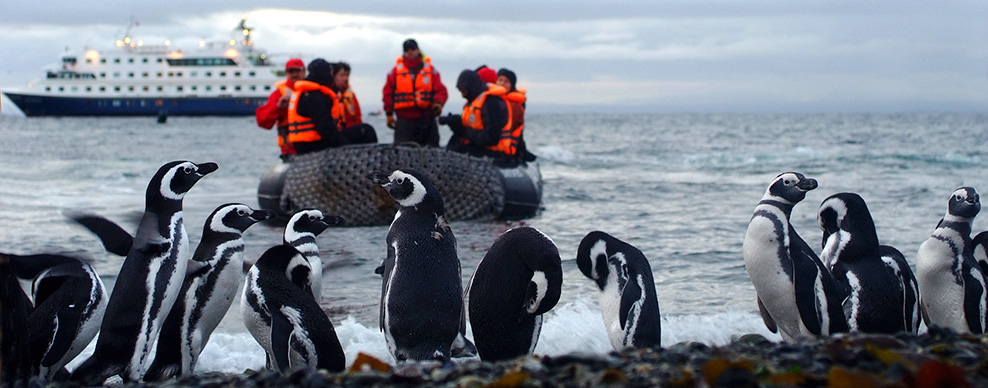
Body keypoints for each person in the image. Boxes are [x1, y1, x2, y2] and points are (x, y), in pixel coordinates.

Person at [287, 58, 377, 155]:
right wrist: (345, 147)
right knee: (366, 131)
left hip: (302, 145)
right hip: (313, 145)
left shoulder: (304, 93)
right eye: (330, 73)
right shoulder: (316, 97)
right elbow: (326, 130)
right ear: (324, 74)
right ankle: (368, 164)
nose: (331, 77)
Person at [441, 69, 525, 166]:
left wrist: (464, 131)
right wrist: (455, 124)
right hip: (479, 147)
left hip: (494, 153)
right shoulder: (473, 102)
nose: (463, 95)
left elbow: (492, 138)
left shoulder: (491, 102)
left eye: (464, 91)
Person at [381, 38, 448, 146]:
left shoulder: (431, 71)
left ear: (418, 50)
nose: (410, 51)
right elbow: (387, 93)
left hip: (427, 119)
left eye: (413, 48)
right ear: (404, 53)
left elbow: (441, 90)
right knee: (403, 154)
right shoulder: (394, 73)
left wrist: (438, 103)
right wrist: (389, 114)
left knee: (432, 152)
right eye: (407, 49)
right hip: (405, 121)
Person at [255, 58, 305, 159]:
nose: (294, 74)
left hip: (314, 148)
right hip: (290, 151)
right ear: (286, 73)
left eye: (297, 71)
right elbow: (263, 122)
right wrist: (278, 106)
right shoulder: (278, 95)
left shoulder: (312, 91)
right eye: (291, 72)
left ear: (304, 72)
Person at [332, 61, 377, 143]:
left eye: (347, 75)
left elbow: (358, 117)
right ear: (334, 76)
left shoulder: (350, 96)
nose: (346, 78)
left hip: (350, 131)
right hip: (337, 134)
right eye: (342, 75)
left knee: (366, 130)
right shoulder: (330, 95)